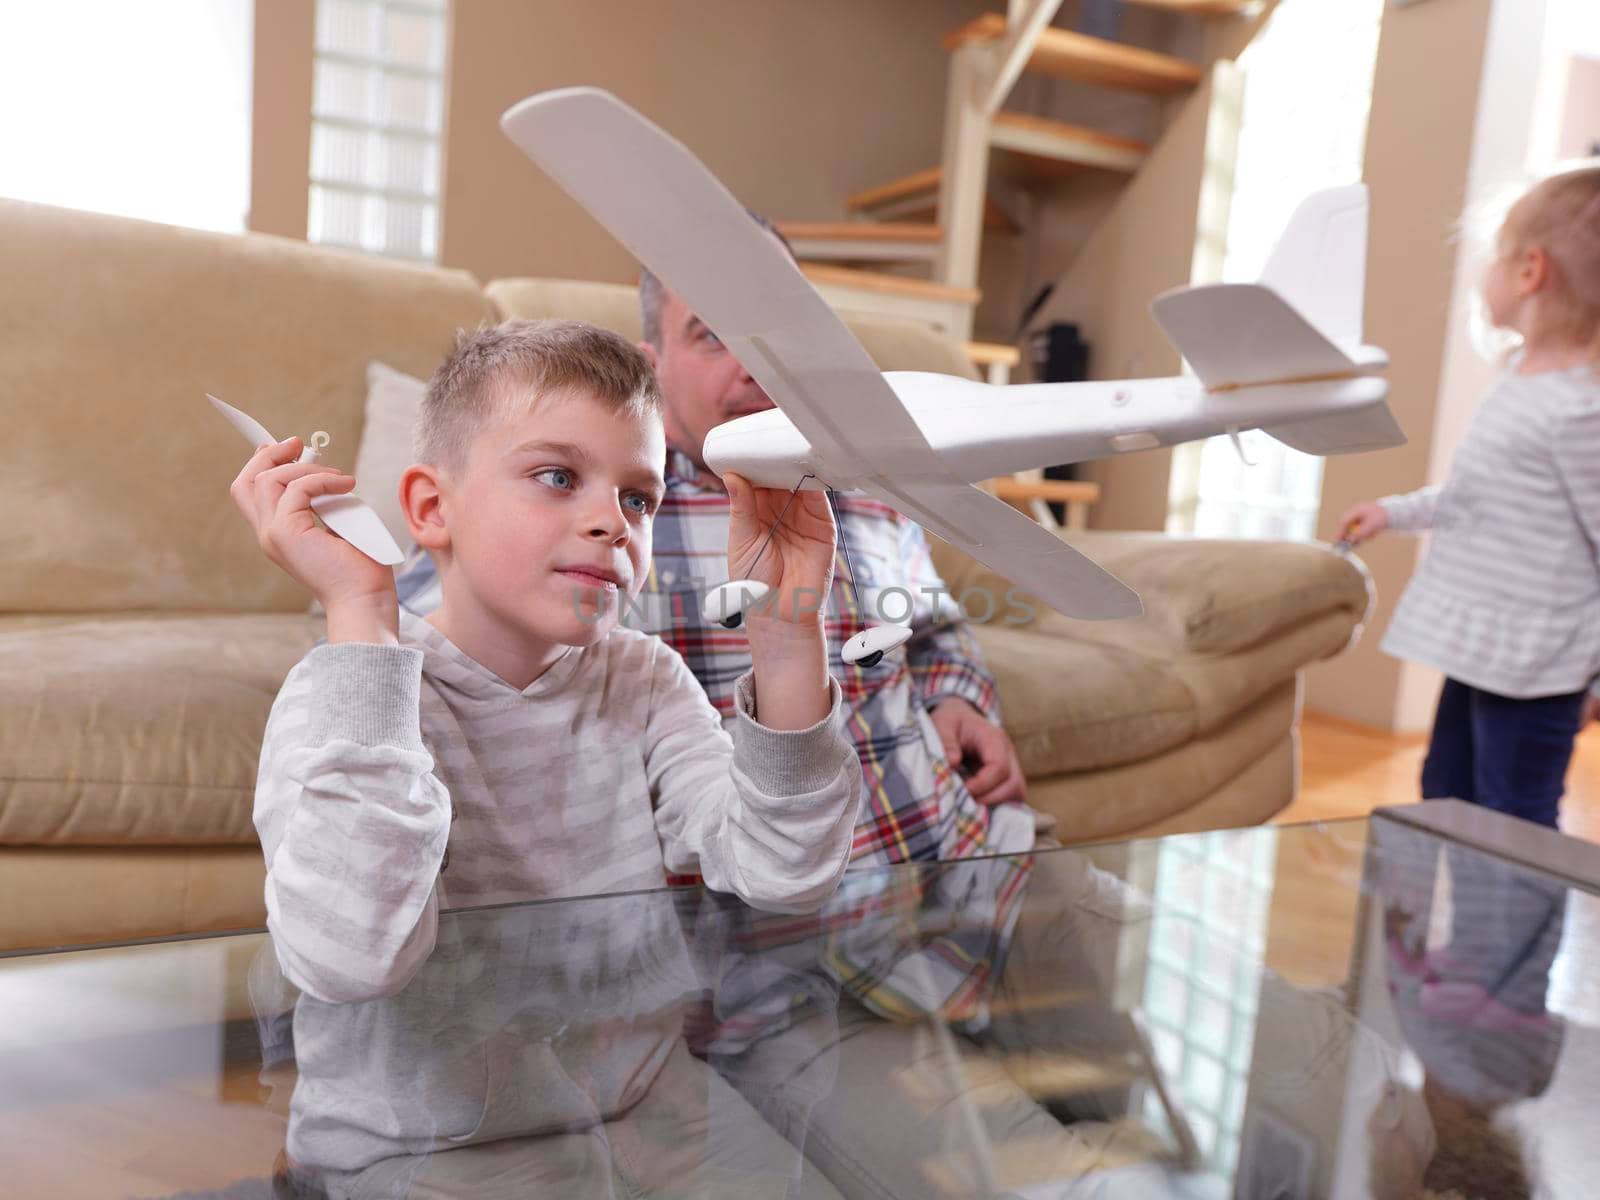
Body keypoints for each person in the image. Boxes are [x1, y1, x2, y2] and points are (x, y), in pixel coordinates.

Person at [231, 319, 862, 1197]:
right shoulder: (342, 695)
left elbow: (784, 869)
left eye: (640, 498)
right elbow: (350, 957)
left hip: (645, 1107)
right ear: (429, 510)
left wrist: (790, 638)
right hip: (426, 1146)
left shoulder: (643, 679)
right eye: (558, 477)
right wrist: (362, 618)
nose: (613, 521)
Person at [1339, 162, 1600, 831]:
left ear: (1529, 271)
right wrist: (1395, 513)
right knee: (1445, 787)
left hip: (1539, 665)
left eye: (1494, 258)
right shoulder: (1520, 378)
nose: (1483, 275)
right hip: (1484, 648)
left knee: (1512, 817)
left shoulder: (1581, 411)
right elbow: (1478, 494)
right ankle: (1446, 932)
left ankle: (1507, 939)